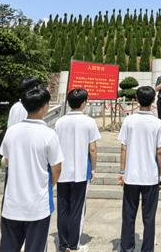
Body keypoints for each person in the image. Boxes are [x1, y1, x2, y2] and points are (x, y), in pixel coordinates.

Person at [0, 87, 64, 252]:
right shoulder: (49, 134)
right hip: (37, 205)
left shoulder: (11, 132)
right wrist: (48, 184)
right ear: (44, 107)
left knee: (8, 247)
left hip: (12, 203)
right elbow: (57, 168)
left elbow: (6, 160)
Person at [118, 86, 161, 252]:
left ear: (137, 100)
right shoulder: (158, 123)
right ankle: (147, 249)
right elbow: (160, 152)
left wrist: (122, 172)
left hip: (131, 176)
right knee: (149, 217)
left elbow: (123, 148)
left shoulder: (129, 120)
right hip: (150, 177)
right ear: (154, 100)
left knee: (128, 216)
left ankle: (126, 248)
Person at [55, 88, 101, 252]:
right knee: (77, 208)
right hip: (81, 171)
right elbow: (93, 149)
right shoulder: (89, 122)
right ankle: (74, 245)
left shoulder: (59, 122)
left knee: (63, 208)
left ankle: (63, 244)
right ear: (84, 103)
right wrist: (94, 168)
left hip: (62, 171)